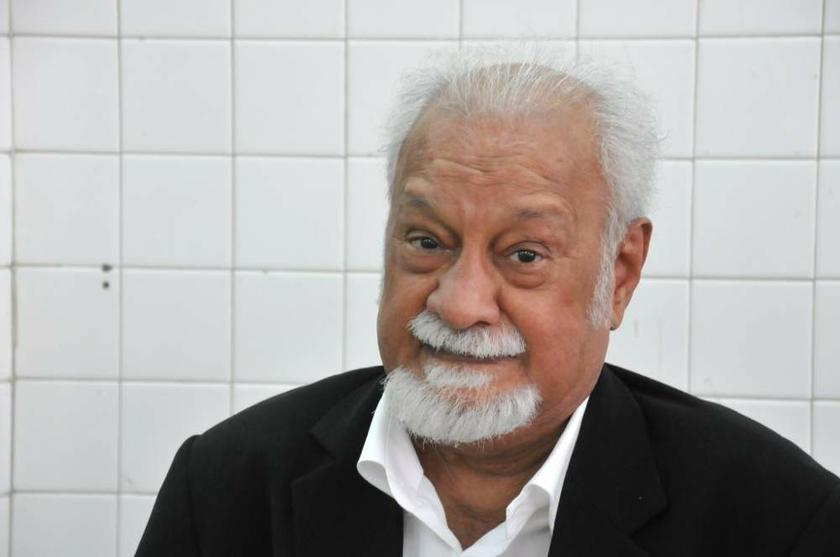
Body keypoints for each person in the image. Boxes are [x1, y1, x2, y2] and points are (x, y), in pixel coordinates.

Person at [136, 51, 840, 556]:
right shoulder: (227, 488)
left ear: (619, 274)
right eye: (426, 240)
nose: (460, 302)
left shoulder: (778, 520)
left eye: (524, 254)